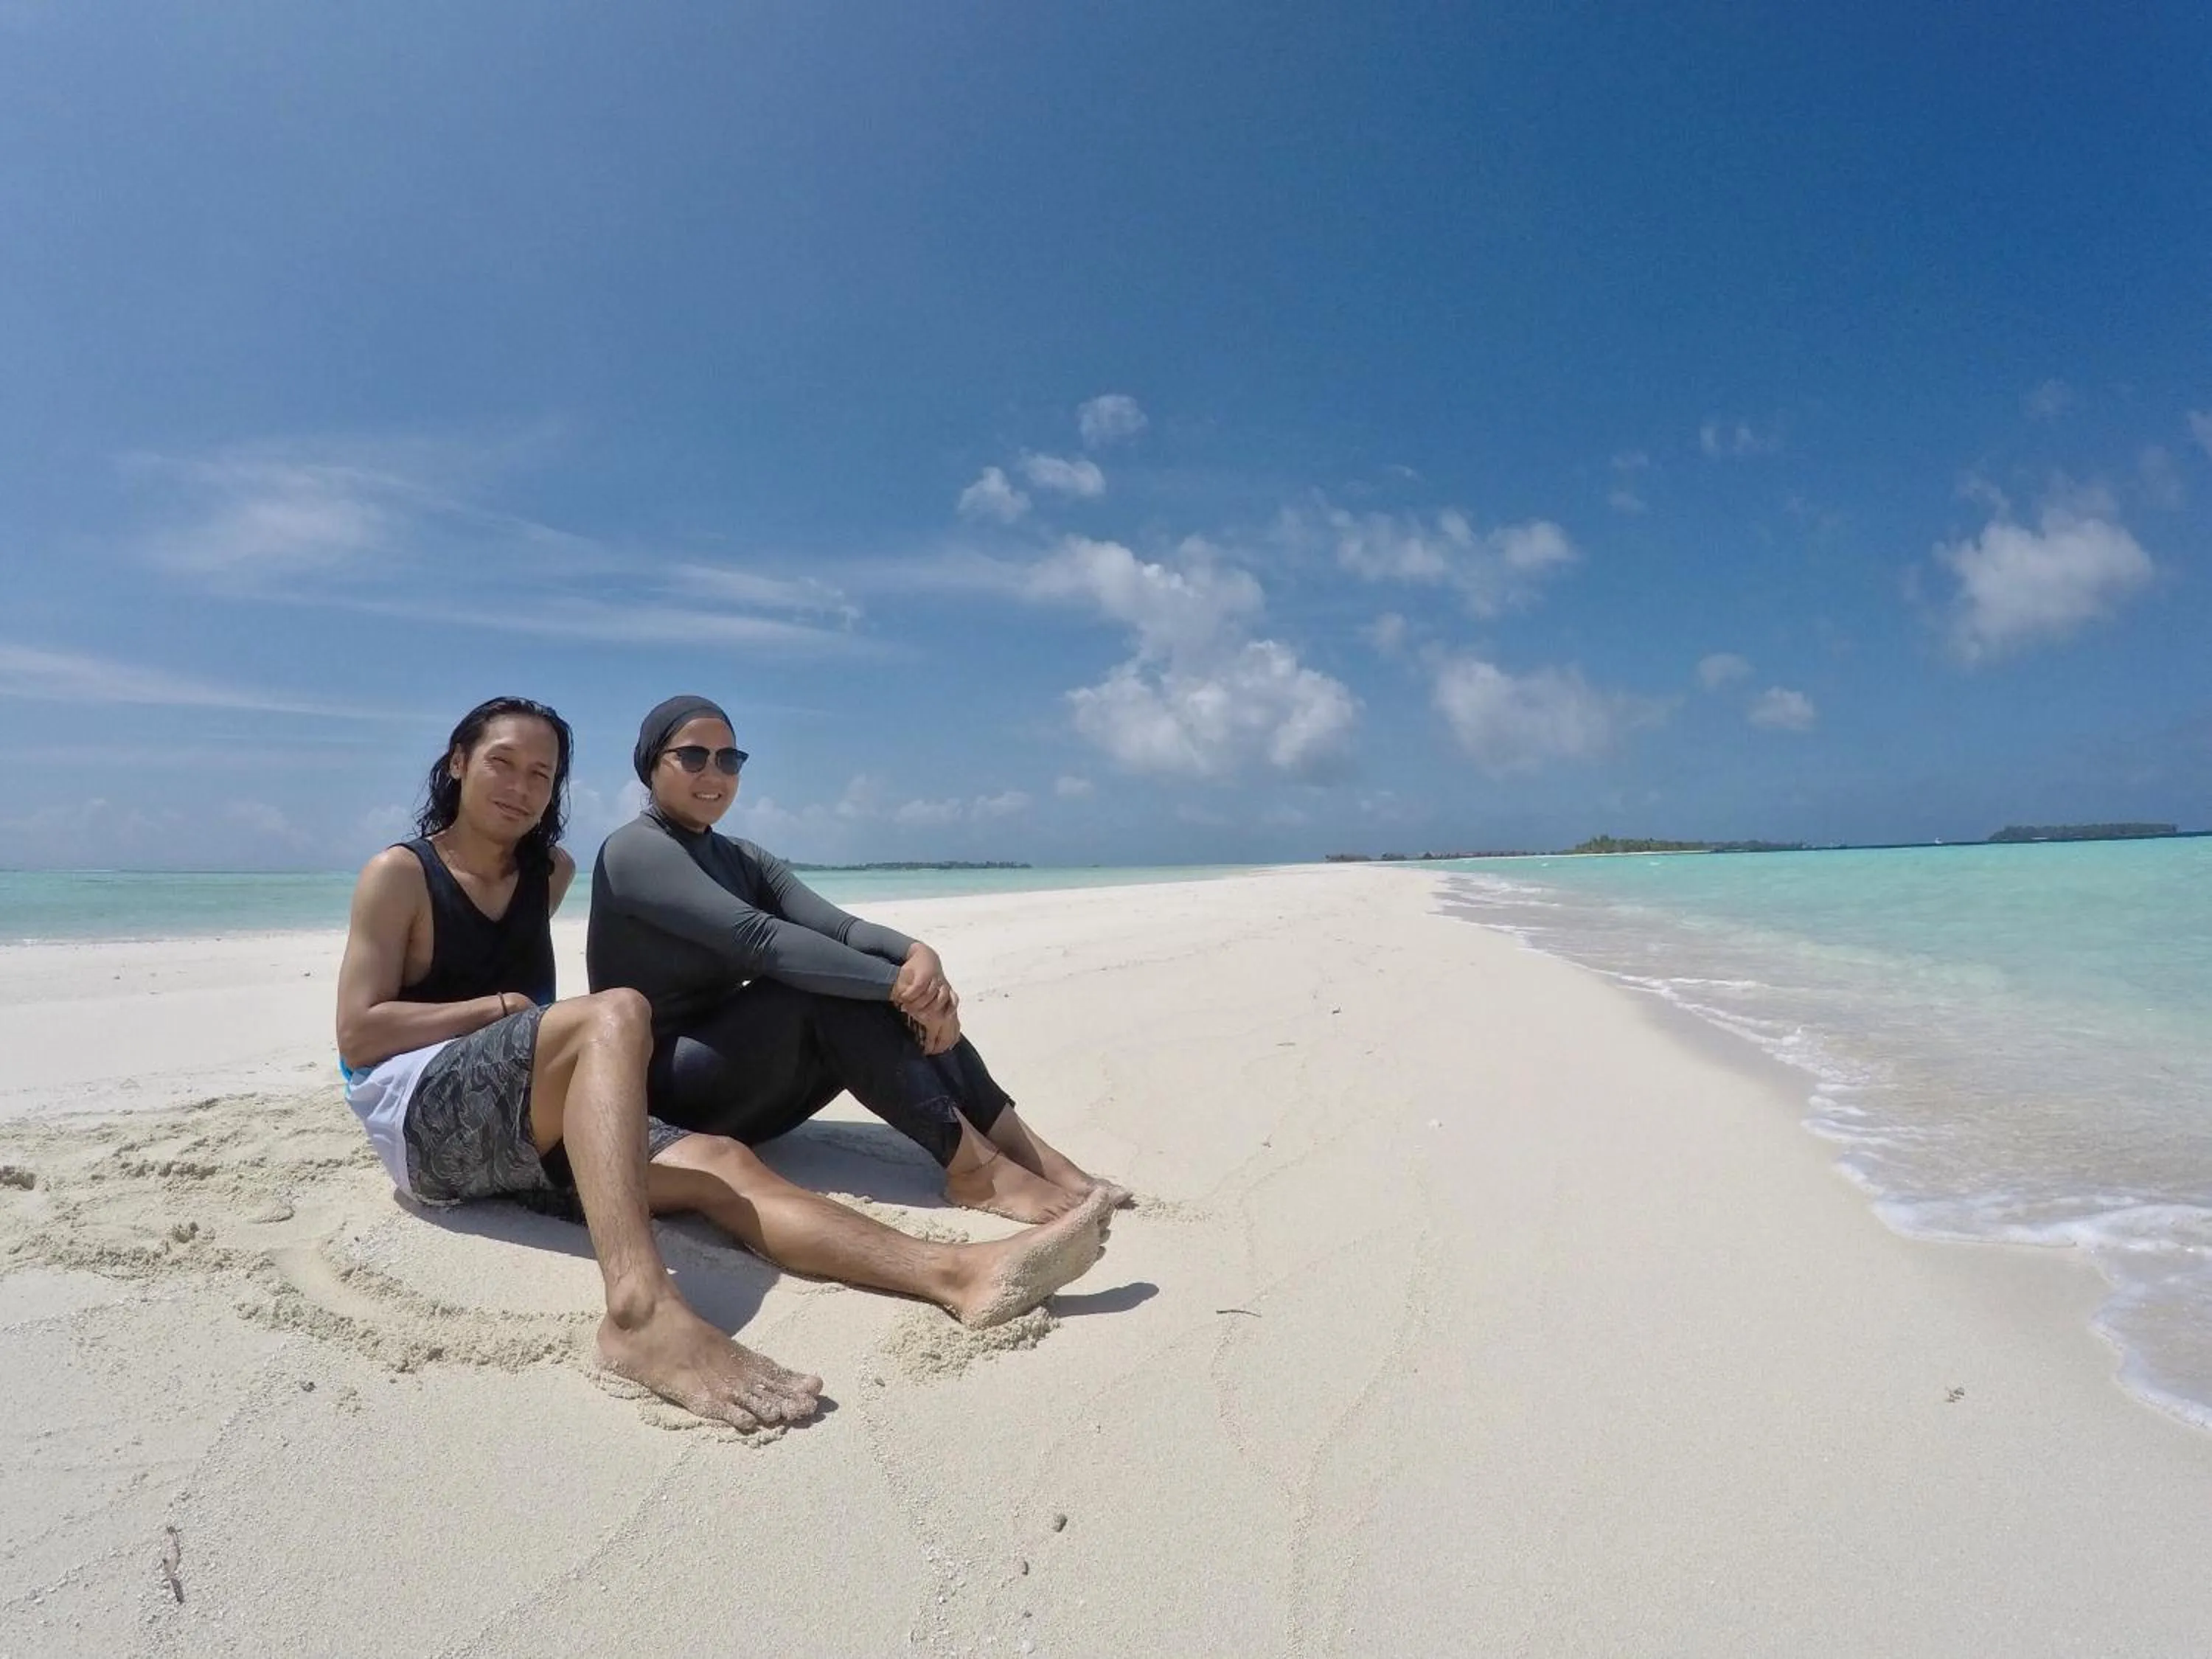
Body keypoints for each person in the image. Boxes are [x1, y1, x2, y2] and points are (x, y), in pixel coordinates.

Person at [335, 696, 1114, 1433]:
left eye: (543, 775)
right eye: (504, 764)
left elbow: (823, 929)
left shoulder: (550, 873)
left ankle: (956, 1275)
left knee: (730, 1166)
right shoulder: (400, 874)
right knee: (619, 1009)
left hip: (526, 1118)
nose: (523, 787)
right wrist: (501, 1009)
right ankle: (639, 1314)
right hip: (421, 1122)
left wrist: (917, 958)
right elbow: (358, 1039)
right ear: (457, 764)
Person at [588, 695, 1129, 1225]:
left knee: (852, 975)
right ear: (649, 765)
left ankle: (1023, 1148)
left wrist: (920, 957)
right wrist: (899, 988)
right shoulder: (634, 852)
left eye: (729, 759)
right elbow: (761, 940)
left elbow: (841, 929)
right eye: (692, 756)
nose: (714, 771)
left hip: (739, 1081)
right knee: (826, 987)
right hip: (665, 1096)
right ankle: (975, 1173)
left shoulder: (742, 857)